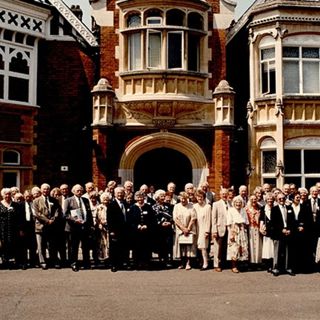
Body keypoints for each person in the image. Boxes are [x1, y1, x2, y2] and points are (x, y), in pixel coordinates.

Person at [63, 184, 94, 271]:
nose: (80, 192)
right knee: (74, 246)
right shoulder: (68, 200)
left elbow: (89, 213)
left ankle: (86, 263)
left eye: (81, 190)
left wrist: (91, 225)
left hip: (85, 227)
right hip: (74, 227)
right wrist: (74, 220)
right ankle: (74, 263)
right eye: (78, 190)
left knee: (86, 246)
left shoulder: (86, 200)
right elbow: (65, 214)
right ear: (73, 191)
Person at [33, 183, 63, 269]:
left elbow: (57, 211)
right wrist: (47, 221)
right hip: (40, 227)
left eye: (47, 189)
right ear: (41, 190)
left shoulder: (54, 200)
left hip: (52, 226)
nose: (45, 190)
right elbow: (37, 214)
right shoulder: (36, 201)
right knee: (41, 246)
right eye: (44, 189)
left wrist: (53, 220)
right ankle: (43, 262)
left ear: (49, 190)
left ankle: (54, 261)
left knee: (52, 245)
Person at [128, 191, 156, 269]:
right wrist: (137, 226)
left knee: (146, 247)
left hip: (146, 232)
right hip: (136, 232)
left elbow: (152, 219)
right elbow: (130, 221)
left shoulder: (148, 207)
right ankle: (137, 263)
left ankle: (146, 262)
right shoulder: (132, 208)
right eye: (138, 197)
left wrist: (147, 226)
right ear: (135, 198)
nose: (140, 199)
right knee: (136, 248)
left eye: (141, 197)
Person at [270, 193, 295, 276]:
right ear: (277, 200)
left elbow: (292, 221)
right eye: (280, 198)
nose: (281, 200)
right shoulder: (274, 209)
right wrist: (281, 229)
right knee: (277, 251)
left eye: (283, 198)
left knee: (288, 251)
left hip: (288, 233)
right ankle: (275, 268)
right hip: (278, 233)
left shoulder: (289, 208)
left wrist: (290, 230)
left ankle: (287, 268)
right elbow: (273, 223)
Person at [107, 186, 130, 272]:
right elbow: (109, 219)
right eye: (118, 193)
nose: (120, 194)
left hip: (125, 230)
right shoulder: (111, 205)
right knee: (114, 248)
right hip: (115, 230)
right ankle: (114, 265)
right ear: (115, 194)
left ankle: (122, 263)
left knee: (123, 247)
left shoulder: (126, 204)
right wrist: (111, 230)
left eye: (121, 193)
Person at [173, 192, 197, 270]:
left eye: (184, 198)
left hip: (189, 228)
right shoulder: (176, 206)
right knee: (181, 246)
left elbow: (193, 218)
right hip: (180, 229)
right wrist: (183, 228)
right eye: (181, 198)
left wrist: (188, 229)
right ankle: (182, 262)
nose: (183, 200)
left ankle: (188, 263)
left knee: (189, 246)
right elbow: (175, 219)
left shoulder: (191, 206)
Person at [226, 196, 249, 273]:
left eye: (239, 202)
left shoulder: (243, 210)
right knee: (234, 249)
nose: (238, 204)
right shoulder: (230, 210)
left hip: (242, 230)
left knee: (242, 248)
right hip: (234, 230)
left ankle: (240, 265)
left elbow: (246, 221)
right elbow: (228, 223)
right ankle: (234, 266)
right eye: (236, 202)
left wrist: (244, 228)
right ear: (234, 203)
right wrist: (231, 234)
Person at [152, 189, 174, 268]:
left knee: (168, 244)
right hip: (159, 229)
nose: (163, 197)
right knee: (161, 245)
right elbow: (153, 218)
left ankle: (169, 260)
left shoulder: (168, 206)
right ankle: (161, 260)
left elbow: (172, 216)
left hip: (168, 229)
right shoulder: (153, 207)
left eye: (164, 196)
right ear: (157, 197)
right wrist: (161, 223)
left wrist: (170, 222)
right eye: (161, 196)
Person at [0, 188, 20, 268]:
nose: (7, 196)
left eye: (9, 194)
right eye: (6, 194)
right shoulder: (0, 204)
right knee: (3, 245)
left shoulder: (15, 205)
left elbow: (19, 217)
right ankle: (4, 261)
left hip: (13, 229)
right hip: (2, 229)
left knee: (13, 244)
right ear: (2, 195)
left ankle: (12, 262)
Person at [17, 190, 37, 269]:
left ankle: (32, 262)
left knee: (33, 246)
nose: (28, 198)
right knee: (23, 246)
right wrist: (20, 229)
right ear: (24, 196)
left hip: (33, 226)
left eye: (29, 196)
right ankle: (24, 263)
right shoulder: (20, 205)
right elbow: (18, 218)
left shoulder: (34, 204)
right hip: (24, 227)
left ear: (32, 196)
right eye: (26, 196)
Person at [211, 188, 229, 272]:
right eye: (223, 194)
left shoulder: (231, 204)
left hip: (228, 228)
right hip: (219, 228)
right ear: (220, 194)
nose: (224, 195)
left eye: (226, 193)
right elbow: (213, 218)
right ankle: (216, 264)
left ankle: (224, 263)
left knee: (225, 247)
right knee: (217, 247)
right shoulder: (216, 204)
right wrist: (214, 230)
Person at [193, 189, 211, 270]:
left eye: (201, 197)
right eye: (198, 197)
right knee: (198, 246)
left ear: (204, 197)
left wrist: (207, 231)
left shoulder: (208, 207)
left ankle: (205, 263)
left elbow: (208, 219)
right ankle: (200, 262)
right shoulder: (194, 206)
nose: (199, 198)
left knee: (203, 247)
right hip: (196, 228)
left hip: (204, 228)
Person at [246, 195, 263, 268]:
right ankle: (251, 262)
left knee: (258, 245)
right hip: (250, 228)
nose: (253, 201)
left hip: (258, 228)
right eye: (252, 199)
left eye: (255, 199)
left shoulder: (259, 209)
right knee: (251, 244)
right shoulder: (247, 209)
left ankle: (258, 262)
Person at [259, 192, 274, 272]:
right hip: (266, 231)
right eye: (268, 199)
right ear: (266, 200)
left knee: (273, 248)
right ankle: (268, 265)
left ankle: (274, 264)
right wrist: (261, 228)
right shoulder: (263, 208)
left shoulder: (275, 208)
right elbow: (261, 219)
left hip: (274, 231)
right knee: (267, 249)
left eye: (271, 199)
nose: (270, 200)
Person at [95, 192, 112, 265]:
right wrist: (99, 224)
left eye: (107, 198)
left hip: (110, 227)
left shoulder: (111, 206)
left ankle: (109, 259)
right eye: (104, 199)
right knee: (103, 244)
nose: (105, 200)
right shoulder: (99, 207)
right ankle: (104, 259)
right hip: (102, 228)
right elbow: (96, 217)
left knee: (109, 243)